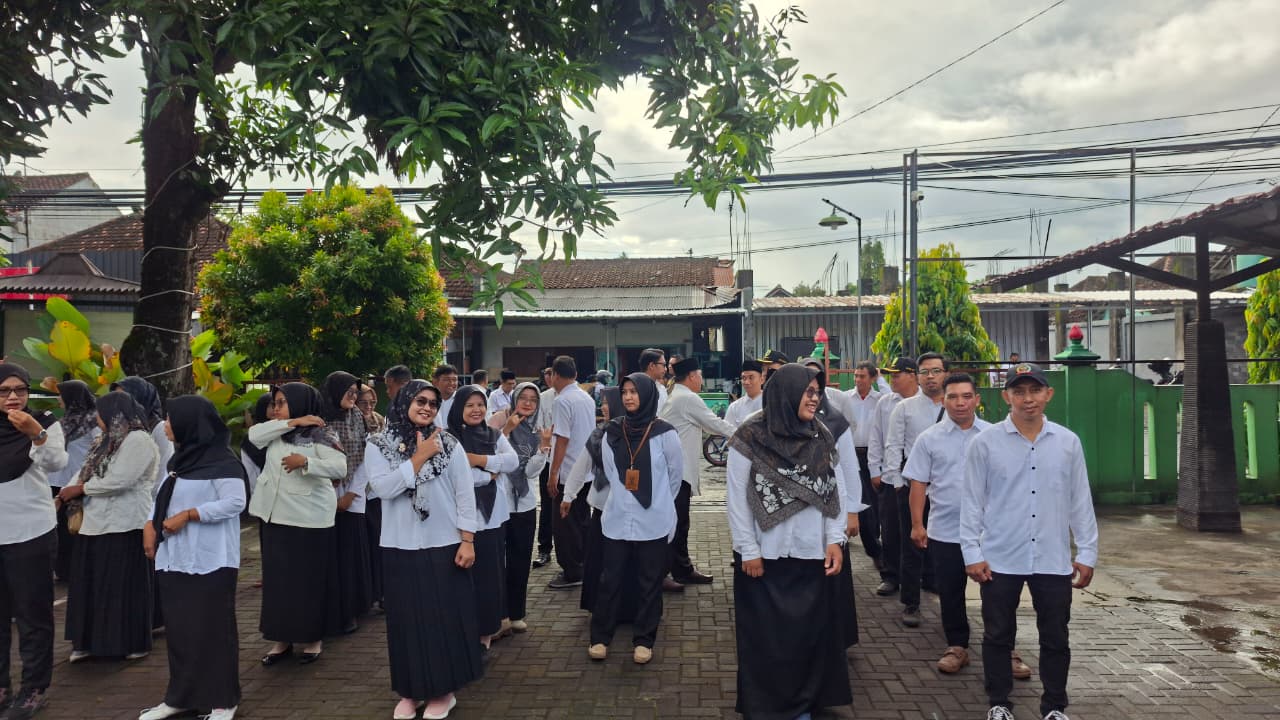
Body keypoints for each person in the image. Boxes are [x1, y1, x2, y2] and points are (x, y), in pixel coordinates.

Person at [963, 364, 1098, 720]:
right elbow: (972, 503)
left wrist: (1087, 551)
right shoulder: (985, 443)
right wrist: (972, 553)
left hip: (1052, 558)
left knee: (1055, 637)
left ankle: (1054, 706)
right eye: (1019, 391)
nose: (1028, 399)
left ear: (1048, 394)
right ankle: (998, 703)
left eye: (1035, 390)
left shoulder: (1067, 443)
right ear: (1006, 396)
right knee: (997, 635)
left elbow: (1080, 501)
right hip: (1000, 556)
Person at [727, 363, 851, 719]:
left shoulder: (820, 434)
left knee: (807, 638)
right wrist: (748, 549)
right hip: (765, 556)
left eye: (817, 393)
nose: (815, 399)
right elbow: (736, 497)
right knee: (766, 641)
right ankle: (765, 707)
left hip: (811, 553)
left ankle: (803, 705)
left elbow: (836, 490)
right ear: (786, 393)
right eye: (808, 392)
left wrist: (835, 539)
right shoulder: (750, 436)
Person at [365, 380, 482, 720]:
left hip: (443, 544)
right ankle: (410, 690)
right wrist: (418, 458)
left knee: (441, 620)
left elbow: (464, 494)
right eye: (420, 400)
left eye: (432, 402)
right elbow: (383, 488)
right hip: (399, 545)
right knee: (405, 622)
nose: (427, 407)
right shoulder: (378, 444)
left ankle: (444, 691)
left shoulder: (449, 443)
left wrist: (468, 540)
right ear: (404, 402)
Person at [138, 396, 246, 720]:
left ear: (191, 423)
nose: (166, 425)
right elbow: (160, 497)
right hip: (175, 558)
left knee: (212, 631)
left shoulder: (223, 462)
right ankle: (181, 697)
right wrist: (149, 524)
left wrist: (190, 514)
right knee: (181, 631)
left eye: (171, 419)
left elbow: (235, 502)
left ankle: (223, 700)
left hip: (211, 560)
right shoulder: (179, 460)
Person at [573, 373, 681, 665]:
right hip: (617, 518)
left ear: (647, 396)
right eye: (625, 392)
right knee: (610, 579)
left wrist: (658, 503)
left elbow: (674, 478)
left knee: (649, 582)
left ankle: (644, 639)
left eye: (635, 392)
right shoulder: (612, 432)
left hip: (653, 520)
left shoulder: (665, 433)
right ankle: (600, 637)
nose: (629, 397)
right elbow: (611, 474)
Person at [248, 383, 347, 666]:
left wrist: (306, 462)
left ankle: (313, 639)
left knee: (307, 583)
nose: (276, 408)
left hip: (308, 520)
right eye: (275, 403)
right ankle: (281, 639)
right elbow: (253, 435)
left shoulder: (321, 433)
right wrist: (292, 421)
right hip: (274, 517)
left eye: (282, 402)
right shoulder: (276, 431)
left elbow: (340, 467)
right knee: (279, 584)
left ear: (301, 402)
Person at [904, 373, 996, 675]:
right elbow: (918, 483)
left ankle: (1005, 649)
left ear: (977, 400)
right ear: (944, 401)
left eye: (966, 396)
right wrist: (917, 524)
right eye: (953, 397)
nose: (960, 403)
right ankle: (957, 646)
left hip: (989, 532)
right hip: (946, 530)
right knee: (951, 591)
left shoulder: (994, 436)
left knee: (998, 593)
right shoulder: (929, 439)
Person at [59, 392, 159, 663]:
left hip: (125, 524)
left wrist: (81, 489)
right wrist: (67, 491)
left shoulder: (138, 440)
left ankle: (131, 642)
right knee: (90, 584)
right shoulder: (104, 440)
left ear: (114, 413)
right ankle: (86, 642)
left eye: (101, 413)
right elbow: (83, 470)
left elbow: (121, 480)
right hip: (94, 523)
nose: (96, 418)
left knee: (121, 586)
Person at [0, 363, 66, 720]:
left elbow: (57, 463)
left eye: (20, 389)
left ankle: (34, 688)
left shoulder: (44, 422)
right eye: (4, 390)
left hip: (30, 533)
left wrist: (36, 434)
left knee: (32, 615)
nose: (13, 396)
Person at [800, 358, 865, 649]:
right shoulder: (790, 419)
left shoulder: (835, 422)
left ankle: (839, 638)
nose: (812, 393)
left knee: (835, 578)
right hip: (803, 520)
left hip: (833, 515)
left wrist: (852, 511)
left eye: (816, 384)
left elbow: (849, 469)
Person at [446, 386, 517, 650]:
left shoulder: (493, 434)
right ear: (459, 408)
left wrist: (477, 459)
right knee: (461, 579)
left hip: (491, 520)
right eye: (470, 405)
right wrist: (488, 475)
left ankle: (485, 636)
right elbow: (451, 477)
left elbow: (512, 462)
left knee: (489, 578)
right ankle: (461, 631)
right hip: (458, 522)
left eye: (480, 405)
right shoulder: (448, 439)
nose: (476, 410)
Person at [659, 357, 735, 588]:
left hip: (674, 471)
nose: (701, 379)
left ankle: (680, 569)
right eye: (700, 375)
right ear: (692, 376)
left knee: (679, 522)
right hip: (678, 472)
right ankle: (675, 571)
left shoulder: (677, 395)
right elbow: (715, 424)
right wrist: (747, 434)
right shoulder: (688, 398)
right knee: (678, 524)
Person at [885, 352, 947, 628]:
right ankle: (911, 602)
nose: (930, 377)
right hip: (913, 487)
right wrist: (898, 484)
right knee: (911, 545)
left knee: (944, 544)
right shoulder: (905, 408)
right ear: (918, 376)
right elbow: (893, 446)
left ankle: (935, 584)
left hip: (947, 489)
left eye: (936, 371)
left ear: (945, 374)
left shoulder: (956, 406)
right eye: (925, 372)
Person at [488, 382, 551, 635]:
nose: (527, 403)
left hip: (524, 503)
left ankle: (516, 614)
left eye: (533, 399)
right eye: (523, 397)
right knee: (497, 562)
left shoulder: (537, 430)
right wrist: (506, 430)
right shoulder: (497, 422)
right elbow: (491, 459)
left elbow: (531, 472)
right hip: (499, 503)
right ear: (514, 399)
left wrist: (543, 448)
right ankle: (498, 614)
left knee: (520, 560)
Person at [321, 372, 373, 634]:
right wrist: (333, 498)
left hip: (352, 496)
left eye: (355, 392)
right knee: (331, 558)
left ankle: (352, 611)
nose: (353, 397)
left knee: (350, 556)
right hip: (324, 497)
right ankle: (333, 612)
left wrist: (350, 495)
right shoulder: (319, 420)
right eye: (348, 392)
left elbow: (365, 458)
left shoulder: (358, 418)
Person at [866, 356, 917, 599]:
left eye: (897, 375)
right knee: (890, 530)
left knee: (920, 529)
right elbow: (875, 437)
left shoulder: (927, 404)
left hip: (920, 480)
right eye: (891, 375)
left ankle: (925, 577)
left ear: (912, 375)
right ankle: (891, 575)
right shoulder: (885, 403)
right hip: (890, 477)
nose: (892, 379)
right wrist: (874, 470)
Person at [545, 356, 596, 590]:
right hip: (586, 471)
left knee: (565, 526)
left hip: (568, 473)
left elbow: (562, 440)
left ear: (555, 375)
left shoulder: (562, 401)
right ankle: (583, 564)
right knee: (582, 521)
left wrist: (553, 473)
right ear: (574, 374)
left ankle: (572, 571)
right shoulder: (586, 398)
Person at [49, 380, 99, 582]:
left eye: (61, 395)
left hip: (78, 482)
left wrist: (83, 481)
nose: (58, 399)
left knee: (74, 526)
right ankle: (61, 569)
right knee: (58, 528)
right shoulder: (63, 421)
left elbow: (98, 452)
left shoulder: (94, 422)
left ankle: (74, 571)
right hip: (55, 480)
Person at [844, 361, 885, 580]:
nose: (858, 380)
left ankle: (875, 542)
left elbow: (894, 400)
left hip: (873, 455)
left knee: (874, 503)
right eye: (856, 376)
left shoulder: (880, 399)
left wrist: (882, 379)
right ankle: (874, 548)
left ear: (872, 378)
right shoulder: (846, 398)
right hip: (851, 454)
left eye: (863, 376)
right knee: (861, 501)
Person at [532, 367, 557, 569]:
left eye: (553, 374)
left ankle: (575, 553)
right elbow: (538, 428)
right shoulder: (544, 398)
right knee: (547, 507)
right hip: (548, 459)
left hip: (571, 463)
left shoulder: (579, 397)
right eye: (547, 375)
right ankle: (544, 549)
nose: (550, 378)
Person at [240, 394, 272, 496]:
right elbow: (249, 471)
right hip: (259, 493)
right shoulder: (252, 437)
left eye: (279, 405)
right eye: (271, 405)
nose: (276, 409)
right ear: (262, 408)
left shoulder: (286, 433)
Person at [723, 360, 764, 427]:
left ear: (762, 380)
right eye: (744, 378)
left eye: (751, 378)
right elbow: (728, 431)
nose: (746, 382)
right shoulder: (734, 407)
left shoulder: (770, 403)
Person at [432, 365, 460, 429]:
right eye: (446, 379)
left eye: (454, 380)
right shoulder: (430, 400)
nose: (451, 383)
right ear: (436, 381)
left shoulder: (461, 399)